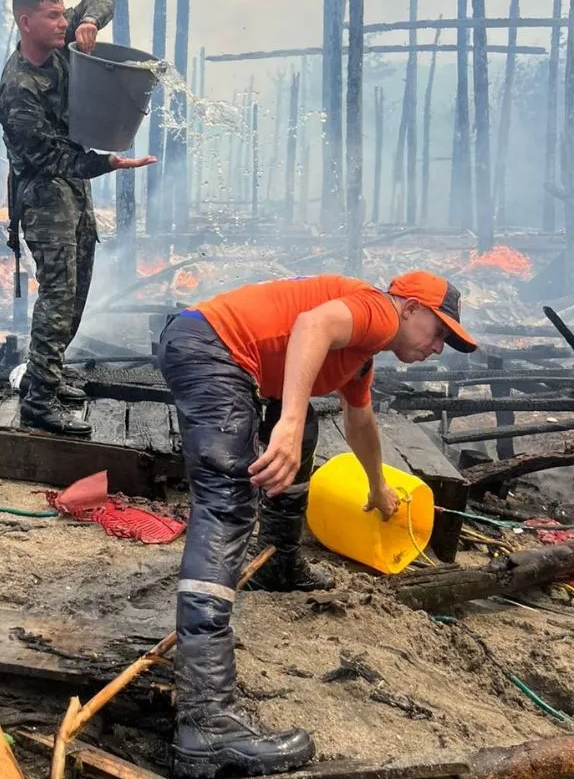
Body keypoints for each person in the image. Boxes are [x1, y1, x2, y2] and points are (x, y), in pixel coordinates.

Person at [157, 272, 475, 776]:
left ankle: (279, 563)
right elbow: (311, 325)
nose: (438, 348)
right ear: (411, 307)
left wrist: (377, 485)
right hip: (211, 348)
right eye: (439, 332)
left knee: (302, 428)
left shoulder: (362, 353)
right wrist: (285, 421)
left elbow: (360, 421)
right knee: (227, 501)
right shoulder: (379, 312)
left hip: (207, 343)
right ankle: (206, 721)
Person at [0, 0, 155, 436]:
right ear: (26, 22)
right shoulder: (18, 89)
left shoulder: (63, 38)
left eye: (65, 14)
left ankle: (46, 375)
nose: (62, 23)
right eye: (53, 16)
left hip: (74, 190)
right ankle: (39, 402)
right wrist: (109, 163)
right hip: (44, 196)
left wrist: (88, 21)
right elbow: (50, 159)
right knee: (58, 296)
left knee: (78, 288)